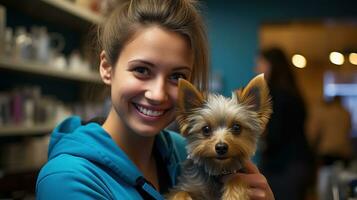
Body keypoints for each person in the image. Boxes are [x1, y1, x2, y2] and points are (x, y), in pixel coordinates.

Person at [36, 0, 274, 199]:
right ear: (107, 67)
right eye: (141, 70)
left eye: (177, 76)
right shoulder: (68, 180)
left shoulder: (184, 151)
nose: (158, 94)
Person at [255, 47, 314, 200]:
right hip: (300, 163)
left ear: (271, 65)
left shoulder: (276, 95)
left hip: (284, 167)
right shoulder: (293, 92)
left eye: (260, 64)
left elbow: (275, 134)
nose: (256, 69)